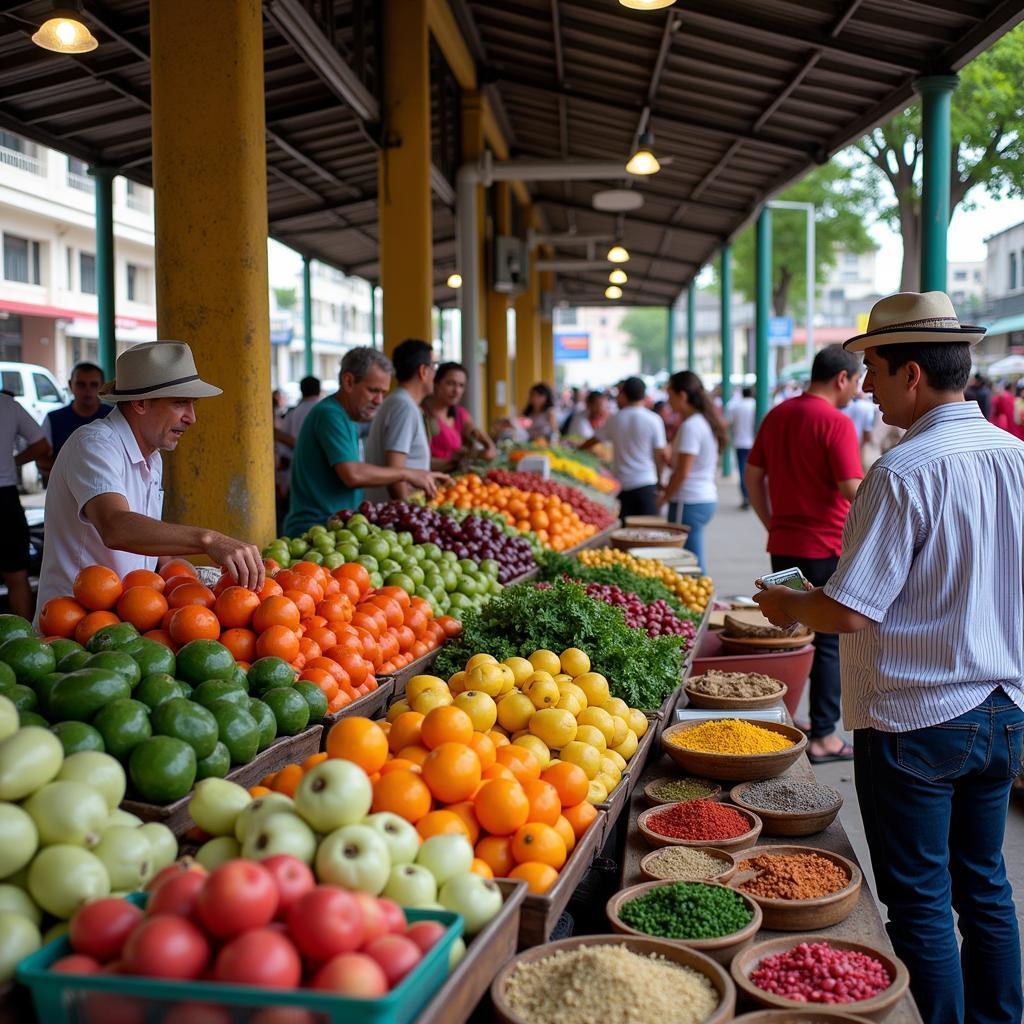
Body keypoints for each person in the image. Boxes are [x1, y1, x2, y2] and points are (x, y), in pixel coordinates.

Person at [753, 290, 1024, 1024]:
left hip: (918, 718)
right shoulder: (1016, 457)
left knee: (922, 900)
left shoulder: (902, 472)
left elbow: (848, 608)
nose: (864, 386)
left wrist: (787, 606)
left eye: (872, 367)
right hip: (1004, 711)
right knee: (986, 885)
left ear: (911, 373)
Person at [36, 341, 264, 620]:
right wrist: (208, 539)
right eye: (180, 402)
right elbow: (115, 525)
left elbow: (151, 548)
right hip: (72, 626)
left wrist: (202, 582)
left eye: (192, 404)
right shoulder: (94, 444)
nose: (191, 417)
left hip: (123, 622)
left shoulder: (152, 456)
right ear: (140, 403)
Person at [744, 343, 863, 763]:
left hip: (785, 544)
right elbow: (852, 488)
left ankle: (792, 718)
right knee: (828, 641)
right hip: (826, 545)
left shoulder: (777, 414)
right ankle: (825, 737)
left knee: (792, 632)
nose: (858, 393)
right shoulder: (836, 422)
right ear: (842, 378)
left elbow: (753, 474)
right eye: (857, 382)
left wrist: (770, 521)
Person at [285, 347, 448, 534]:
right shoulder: (330, 414)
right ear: (348, 382)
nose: (379, 400)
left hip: (334, 529)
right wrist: (407, 474)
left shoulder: (347, 417)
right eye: (373, 391)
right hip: (313, 531)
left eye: (383, 393)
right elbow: (353, 475)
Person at [657, 371, 726, 572]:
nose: (668, 401)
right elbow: (685, 466)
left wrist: (664, 497)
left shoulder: (691, 426)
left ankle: (702, 600)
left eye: (670, 395)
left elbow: (682, 473)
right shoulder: (701, 422)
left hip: (688, 501)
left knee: (689, 563)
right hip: (701, 498)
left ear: (683, 396)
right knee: (691, 559)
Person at [580, 376, 667, 521]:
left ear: (624, 394)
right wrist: (660, 481)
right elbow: (660, 455)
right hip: (647, 483)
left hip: (623, 486)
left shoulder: (615, 419)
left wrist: (576, 450)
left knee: (626, 535)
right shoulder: (654, 420)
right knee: (649, 531)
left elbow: (593, 440)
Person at [364, 339, 437, 502]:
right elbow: (395, 471)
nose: (435, 375)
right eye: (434, 367)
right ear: (423, 371)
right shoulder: (404, 407)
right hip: (395, 516)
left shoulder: (399, 402)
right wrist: (407, 513)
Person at [0, 394, 49, 619]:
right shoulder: (8, 404)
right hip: (4, 496)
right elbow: (42, 446)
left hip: (6, 496)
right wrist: (12, 462)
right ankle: (26, 638)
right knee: (17, 576)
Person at [37, 361, 109, 477]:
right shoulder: (53, 419)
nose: (87, 390)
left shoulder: (114, 416)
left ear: (102, 386)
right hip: (64, 490)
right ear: (70, 385)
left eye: (93, 384)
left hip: (110, 486)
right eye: (81, 384)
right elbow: (42, 460)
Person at [422, 361, 496, 467]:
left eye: (461, 385)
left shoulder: (460, 414)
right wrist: (455, 462)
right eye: (450, 383)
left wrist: (490, 446)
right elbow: (418, 462)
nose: (456, 391)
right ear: (436, 383)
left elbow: (473, 431)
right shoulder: (422, 414)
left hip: (459, 479)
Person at [725, 386, 756, 508]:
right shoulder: (755, 405)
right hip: (754, 443)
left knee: (743, 471)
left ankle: (746, 497)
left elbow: (730, 423)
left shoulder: (737, 406)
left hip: (740, 442)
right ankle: (754, 496)